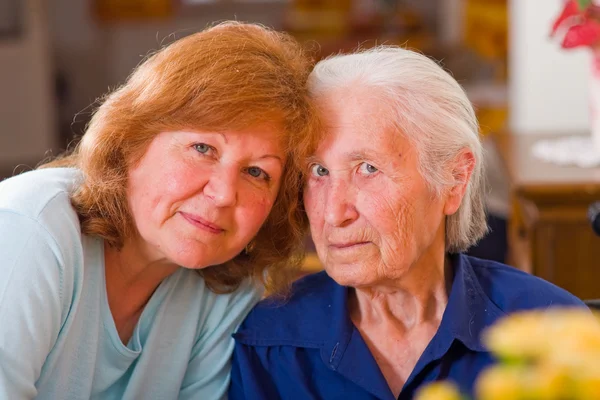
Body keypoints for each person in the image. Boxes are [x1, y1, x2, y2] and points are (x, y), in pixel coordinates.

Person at [229, 47, 586, 400]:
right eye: (319, 171)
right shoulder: (269, 345)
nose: (333, 213)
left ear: (453, 180)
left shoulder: (552, 332)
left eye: (368, 168)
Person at [0, 22, 318, 399]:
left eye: (256, 172)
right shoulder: (28, 229)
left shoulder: (227, 292)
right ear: (133, 139)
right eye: (203, 149)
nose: (222, 195)